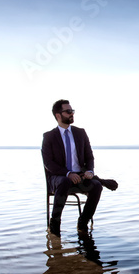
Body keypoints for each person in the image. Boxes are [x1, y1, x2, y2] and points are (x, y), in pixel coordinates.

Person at [42, 99, 103, 236]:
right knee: (64, 181)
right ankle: (55, 226)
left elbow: (89, 157)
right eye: (68, 111)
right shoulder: (49, 137)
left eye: (72, 111)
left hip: (80, 178)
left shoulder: (80, 133)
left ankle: (83, 223)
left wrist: (89, 171)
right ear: (58, 115)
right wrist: (68, 173)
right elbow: (48, 163)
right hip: (58, 179)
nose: (72, 114)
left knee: (97, 186)